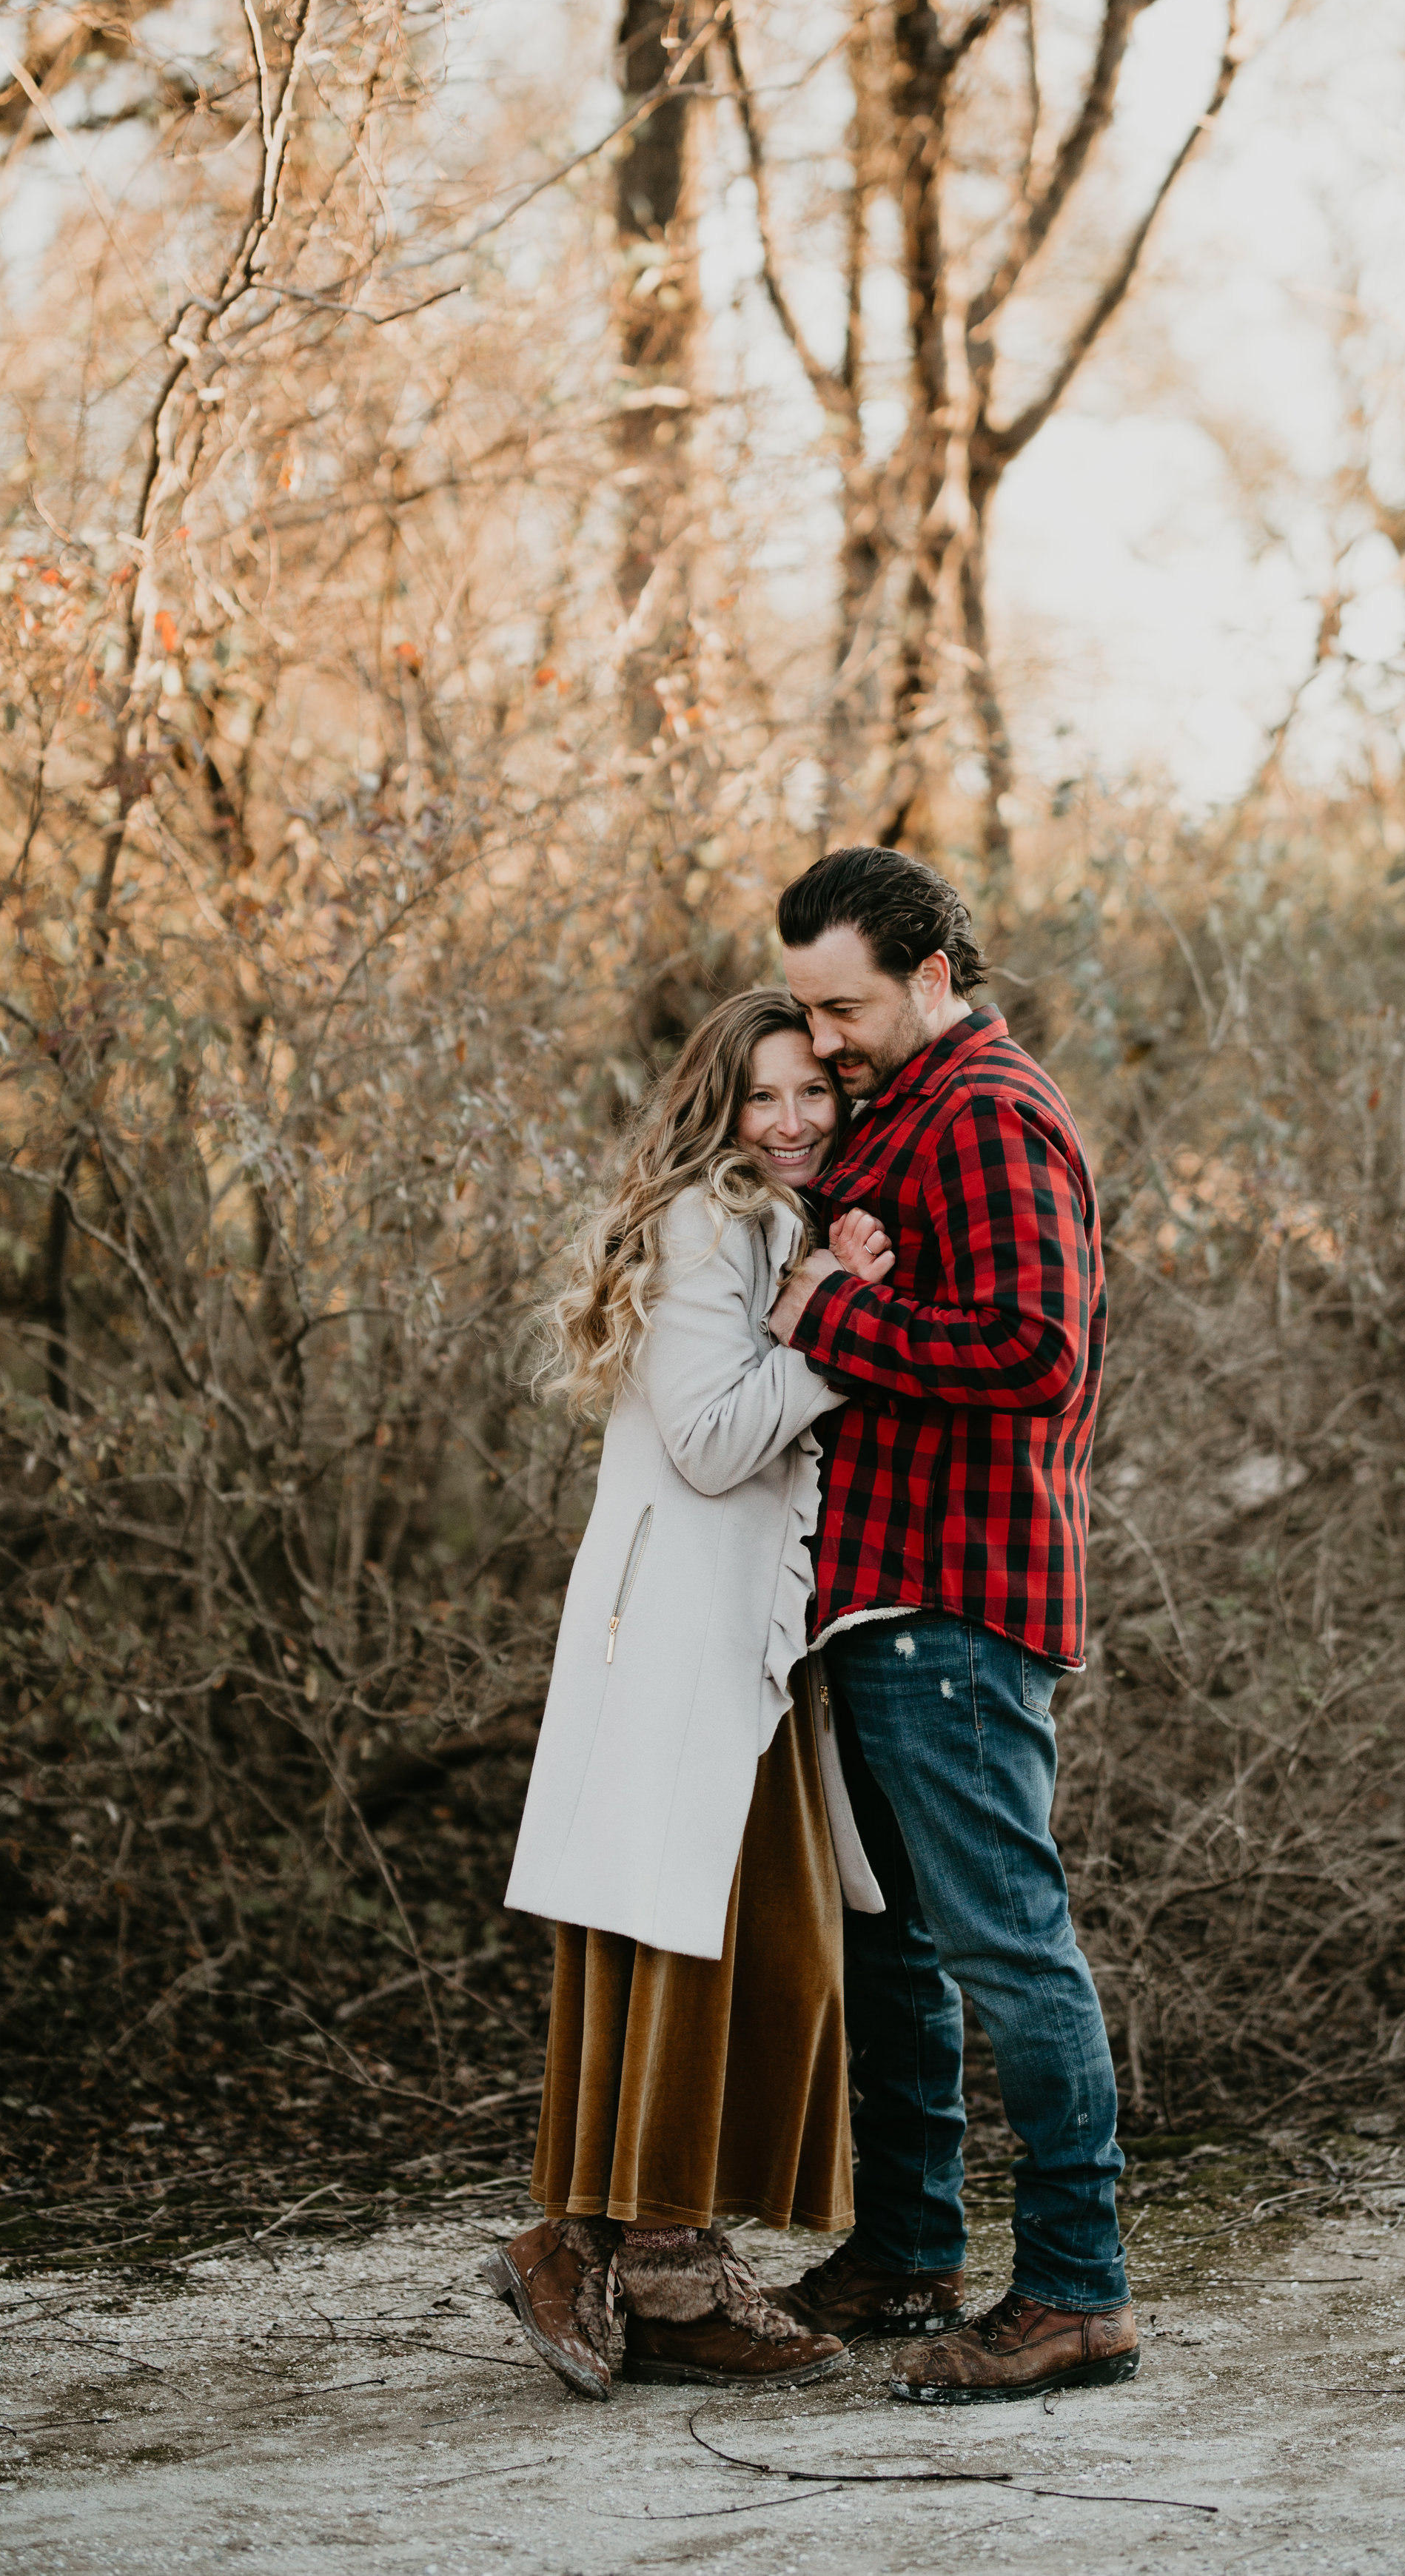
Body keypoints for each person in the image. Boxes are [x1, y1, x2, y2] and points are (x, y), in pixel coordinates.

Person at [763, 845, 1139, 2407]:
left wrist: (824, 1315)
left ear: (929, 974)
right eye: (804, 1008)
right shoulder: (904, 1111)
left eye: (841, 1006)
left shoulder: (984, 1111)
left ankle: (1073, 2291)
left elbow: (1035, 1350)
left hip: (952, 1606)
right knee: (892, 1948)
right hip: (878, 1598)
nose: (823, 1038)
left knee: (1005, 1944)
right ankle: (908, 2246)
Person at [488, 987, 895, 2399]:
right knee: (694, 1935)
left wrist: (808, 1293)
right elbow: (719, 1440)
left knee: (714, 1935)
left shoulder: (762, 1221)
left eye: (813, 1095)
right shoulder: (707, 1219)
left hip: (737, 1630)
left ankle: (623, 2247)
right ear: (720, 1109)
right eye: (763, 1098)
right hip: (679, 1629)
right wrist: (835, 1320)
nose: (791, 1122)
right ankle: (637, 2255)